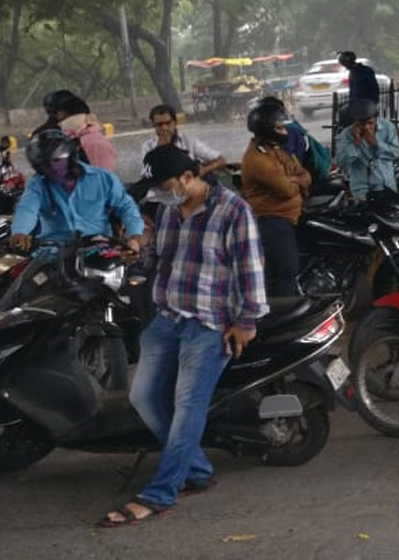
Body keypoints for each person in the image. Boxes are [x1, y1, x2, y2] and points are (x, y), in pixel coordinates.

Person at [97, 145, 267, 528]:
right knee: (143, 396)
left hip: (209, 324)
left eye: (166, 186)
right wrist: (135, 253)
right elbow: (160, 257)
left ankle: (160, 493)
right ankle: (197, 470)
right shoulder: (170, 210)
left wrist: (246, 322)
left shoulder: (233, 211)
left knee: (186, 408)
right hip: (168, 316)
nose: (160, 194)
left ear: (190, 177)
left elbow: (251, 271)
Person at [10, 129, 143, 252]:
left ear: (70, 157)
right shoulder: (37, 185)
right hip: (54, 253)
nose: (53, 167)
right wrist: (20, 232)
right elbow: (27, 209)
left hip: (99, 250)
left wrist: (135, 236)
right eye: (45, 164)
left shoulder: (103, 178)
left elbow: (126, 207)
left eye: (57, 160)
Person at [241, 103, 310, 297]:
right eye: (279, 127)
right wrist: (298, 181)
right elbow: (287, 190)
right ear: (266, 129)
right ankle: (285, 314)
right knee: (288, 272)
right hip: (273, 219)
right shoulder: (257, 160)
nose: (284, 130)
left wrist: (297, 179)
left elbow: (304, 174)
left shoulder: (275, 148)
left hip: (291, 214)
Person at [334, 98, 399, 199]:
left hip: (386, 185)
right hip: (362, 190)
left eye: (370, 123)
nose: (366, 127)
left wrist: (377, 143)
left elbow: (395, 153)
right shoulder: (346, 135)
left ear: (376, 119)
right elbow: (341, 162)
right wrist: (355, 143)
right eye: (361, 124)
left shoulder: (388, 128)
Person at [141, 105, 226, 178]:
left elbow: (221, 160)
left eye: (168, 123)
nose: (164, 128)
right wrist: (162, 149)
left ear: (175, 123)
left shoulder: (189, 141)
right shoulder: (148, 147)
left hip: (192, 187)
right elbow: (146, 175)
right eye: (159, 125)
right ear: (154, 126)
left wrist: (204, 170)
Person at [56, 94, 118, 171]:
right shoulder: (67, 139)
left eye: (64, 118)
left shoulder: (94, 143)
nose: (60, 123)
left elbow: (101, 177)